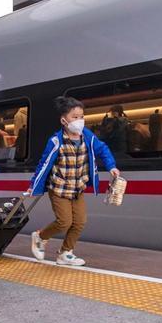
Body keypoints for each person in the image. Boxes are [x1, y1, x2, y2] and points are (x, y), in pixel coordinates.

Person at [27, 96, 120, 266]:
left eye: (82, 116)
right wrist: (33, 186)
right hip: (59, 189)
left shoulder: (88, 137)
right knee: (64, 222)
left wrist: (111, 166)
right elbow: (44, 163)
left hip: (78, 189)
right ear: (64, 120)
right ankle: (40, 237)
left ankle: (65, 253)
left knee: (79, 222)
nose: (79, 121)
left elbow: (103, 150)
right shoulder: (56, 141)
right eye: (75, 117)